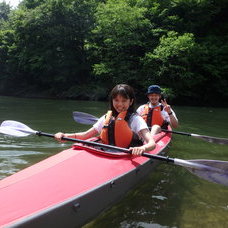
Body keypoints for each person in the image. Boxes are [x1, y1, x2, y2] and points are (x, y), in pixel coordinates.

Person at [55, 84, 156, 156]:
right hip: (106, 153)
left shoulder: (136, 120)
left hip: (126, 155)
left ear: (131, 102)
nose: (119, 104)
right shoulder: (106, 118)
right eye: (116, 100)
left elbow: (152, 143)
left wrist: (142, 148)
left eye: (124, 101)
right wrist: (65, 135)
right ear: (112, 100)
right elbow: (85, 135)